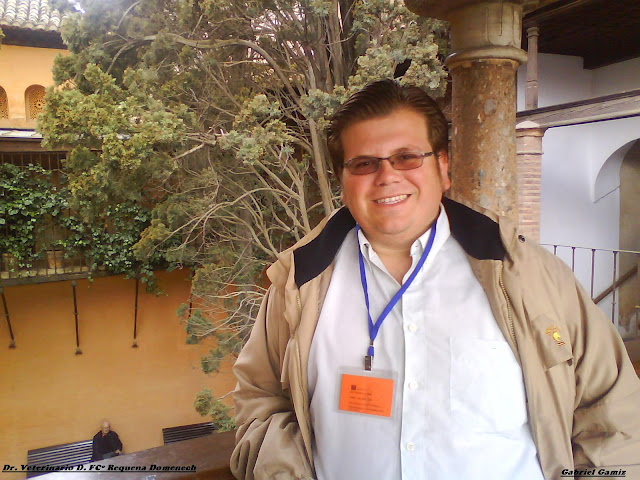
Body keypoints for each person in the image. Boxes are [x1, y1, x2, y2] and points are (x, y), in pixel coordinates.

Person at [230, 79, 640, 480]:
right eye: (364, 163)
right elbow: (259, 398)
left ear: (443, 167)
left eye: (407, 157)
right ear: (343, 181)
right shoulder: (299, 284)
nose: (386, 176)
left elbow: (613, 415)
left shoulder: (531, 277)